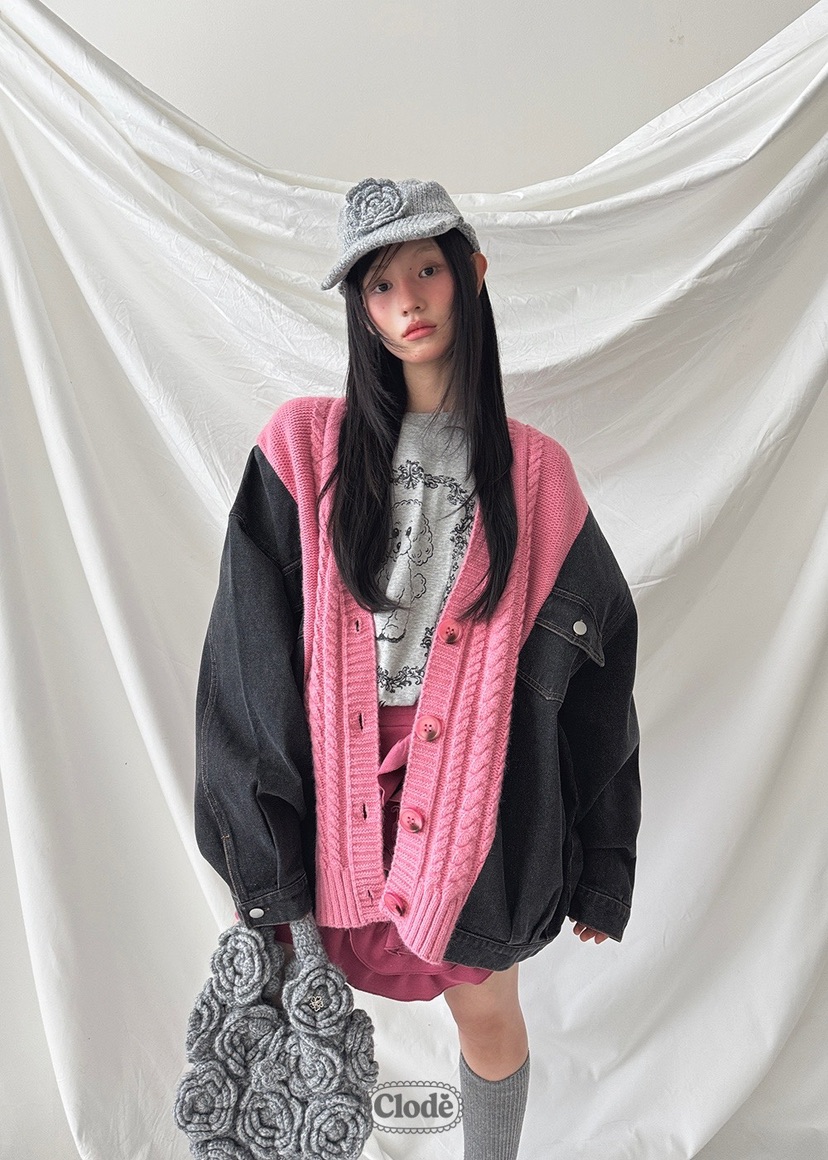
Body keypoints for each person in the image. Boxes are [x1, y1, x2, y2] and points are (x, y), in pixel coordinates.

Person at [194, 177, 641, 1160]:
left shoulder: (536, 475)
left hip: (480, 796)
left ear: (470, 274)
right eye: (381, 284)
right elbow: (244, 662)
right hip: (328, 787)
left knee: (488, 1015)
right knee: (297, 1020)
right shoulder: (301, 447)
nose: (408, 301)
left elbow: (601, 669)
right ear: (361, 309)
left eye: (427, 271)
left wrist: (604, 861)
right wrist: (261, 850)